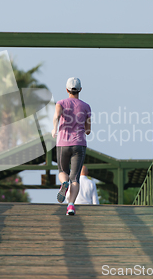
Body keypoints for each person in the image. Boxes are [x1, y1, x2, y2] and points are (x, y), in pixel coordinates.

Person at [52, 77, 91, 215]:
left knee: (63, 171)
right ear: (80, 89)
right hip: (79, 144)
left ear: (67, 89)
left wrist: (55, 129)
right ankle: (71, 205)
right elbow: (88, 130)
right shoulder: (86, 106)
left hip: (63, 143)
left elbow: (56, 117)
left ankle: (64, 184)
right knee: (75, 178)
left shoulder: (61, 103)